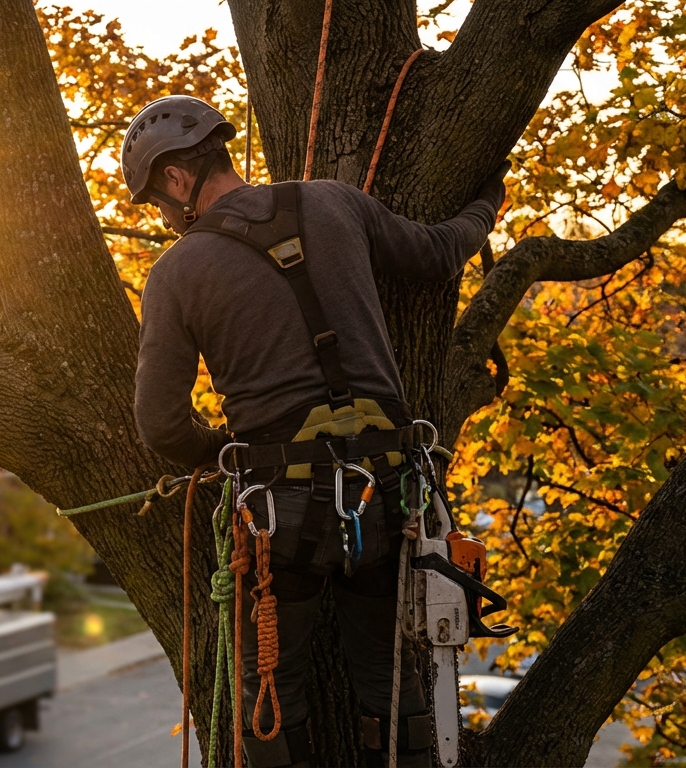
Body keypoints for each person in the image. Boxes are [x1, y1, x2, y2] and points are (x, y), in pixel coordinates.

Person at [125, 95, 507, 768]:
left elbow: (158, 423)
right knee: (391, 686)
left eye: (158, 201)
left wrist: (229, 455)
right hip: (387, 499)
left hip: (282, 517)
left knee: (268, 694)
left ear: (177, 181)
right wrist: (485, 201)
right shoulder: (336, 202)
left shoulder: (177, 273)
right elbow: (441, 253)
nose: (164, 218)